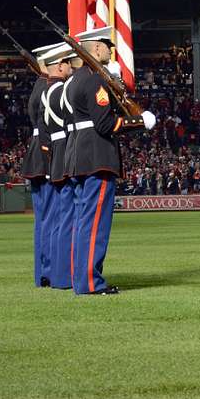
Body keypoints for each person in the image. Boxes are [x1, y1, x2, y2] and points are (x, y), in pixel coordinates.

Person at [63, 28, 156, 295]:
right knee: (94, 225)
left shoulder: (77, 80)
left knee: (82, 222)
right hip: (97, 157)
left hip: (79, 156)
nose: (110, 49)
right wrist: (139, 121)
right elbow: (105, 124)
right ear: (95, 49)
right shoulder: (94, 82)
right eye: (106, 45)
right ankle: (91, 283)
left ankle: (81, 279)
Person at [22, 42, 58, 287]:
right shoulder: (50, 87)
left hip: (35, 154)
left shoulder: (39, 85)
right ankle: (50, 272)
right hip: (47, 155)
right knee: (52, 219)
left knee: (43, 220)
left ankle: (43, 273)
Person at [43, 44, 77, 289]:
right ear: (60, 65)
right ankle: (65, 275)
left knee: (59, 222)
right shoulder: (61, 91)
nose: (70, 68)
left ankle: (58, 273)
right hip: (66, 153)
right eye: (68, 63)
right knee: (68, 221)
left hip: (56, 154)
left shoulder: (47, 91)